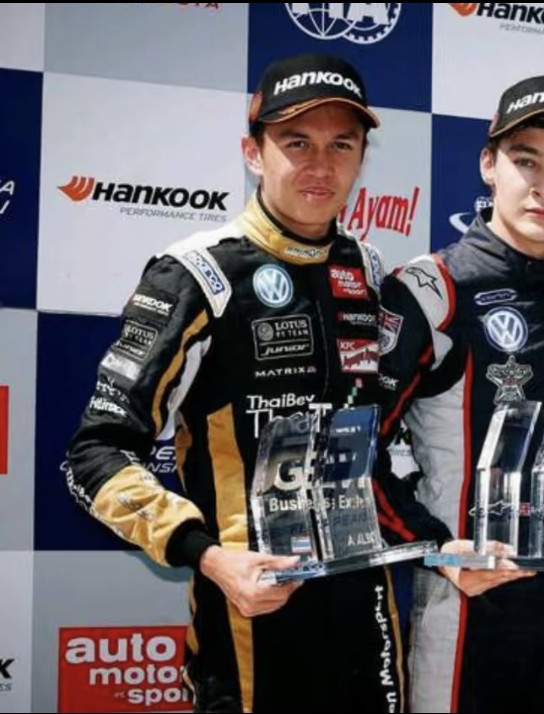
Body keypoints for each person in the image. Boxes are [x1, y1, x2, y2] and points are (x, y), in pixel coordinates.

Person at [65, 53, 405, 713]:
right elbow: (94, 454)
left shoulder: (365, 268)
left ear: (362, 158)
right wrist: (209, 557)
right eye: (296, 143)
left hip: (364, 607)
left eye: (342, 145)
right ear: (254, 154)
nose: (320, 165)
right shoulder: (196, 276)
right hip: (253, 609)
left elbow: (380, 433)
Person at [372, 75, 544, 712]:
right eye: (526, 161)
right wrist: (435, 546)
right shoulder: (431, 288)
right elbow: (354, 451)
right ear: (488, 165)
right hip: (470, 613)